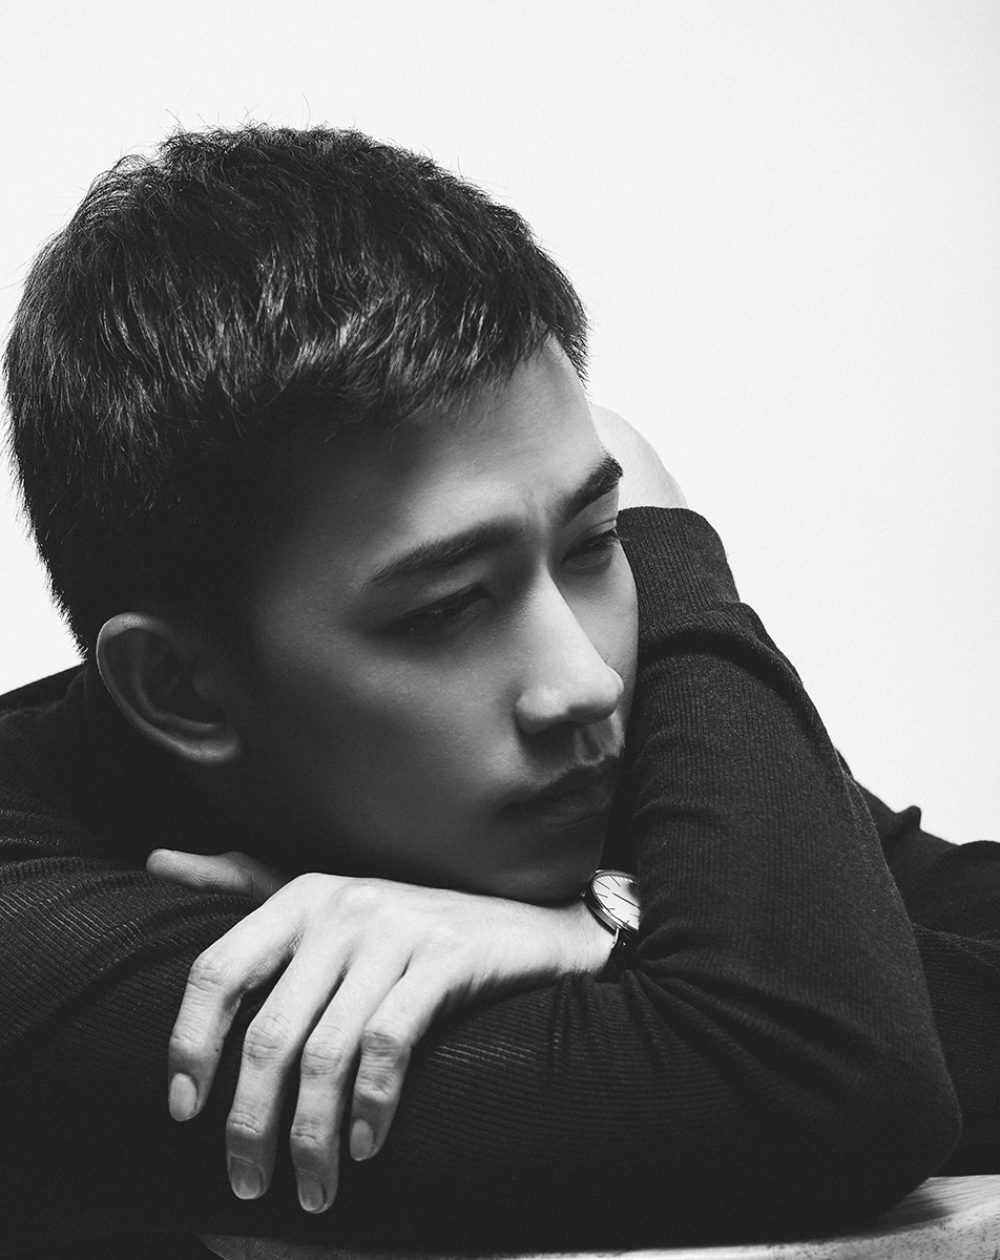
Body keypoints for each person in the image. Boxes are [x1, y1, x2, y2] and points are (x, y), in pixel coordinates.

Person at [0, 124, 988, 1260]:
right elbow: (826, 1079)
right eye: (444, 609)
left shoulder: (563, 754)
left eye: (596, 543)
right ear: (180, 689)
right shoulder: (28, 936)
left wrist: (594, 928)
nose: (581, 682)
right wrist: (676, 551)